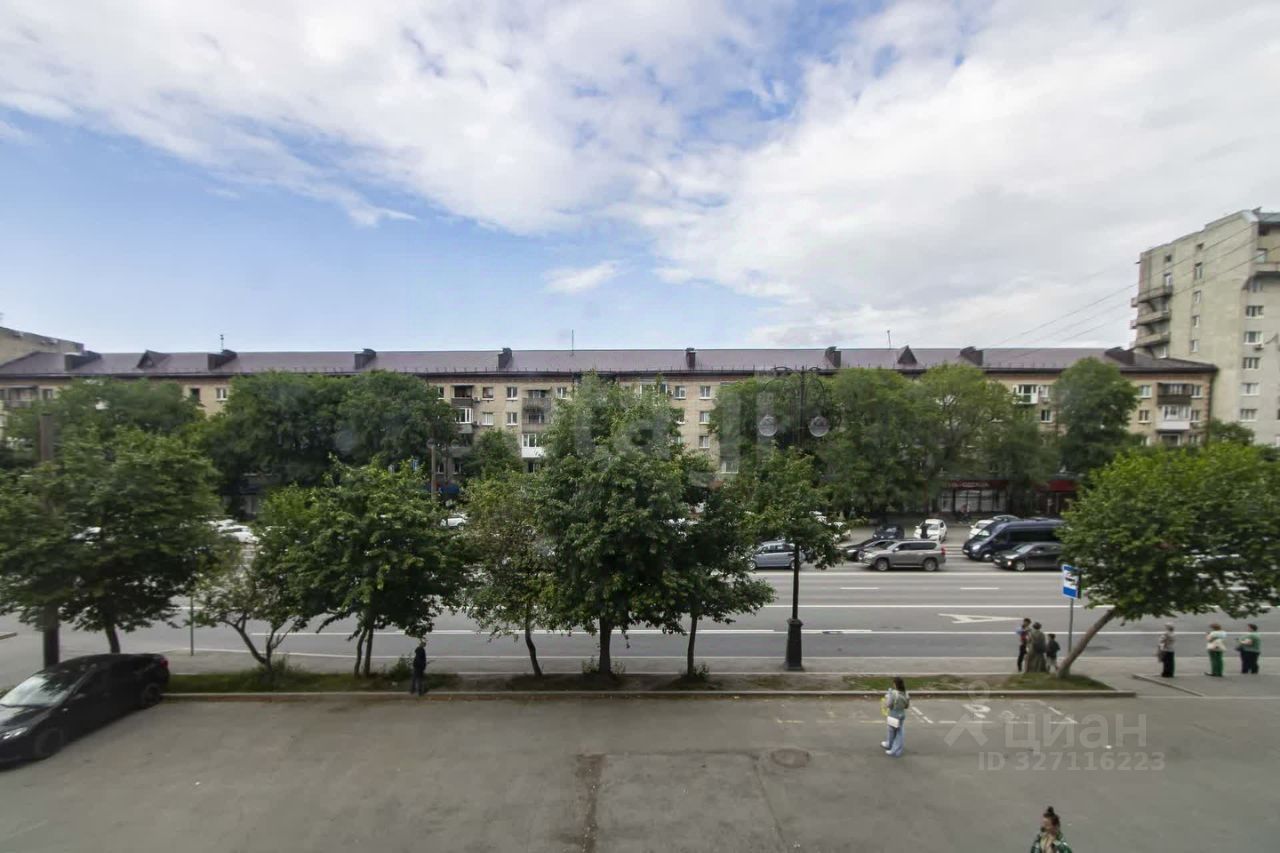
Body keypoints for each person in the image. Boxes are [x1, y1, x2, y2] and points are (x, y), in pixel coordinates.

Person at [880, 676, 910, 757]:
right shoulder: (906, 693)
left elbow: (889, 705)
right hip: (901, 714)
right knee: (896, 730)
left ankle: (894, 749)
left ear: (895, 684)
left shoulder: (893, 693)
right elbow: (907, 706)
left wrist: (888, 697)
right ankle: (890, 744)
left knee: (893, 731)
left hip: (894, 714)